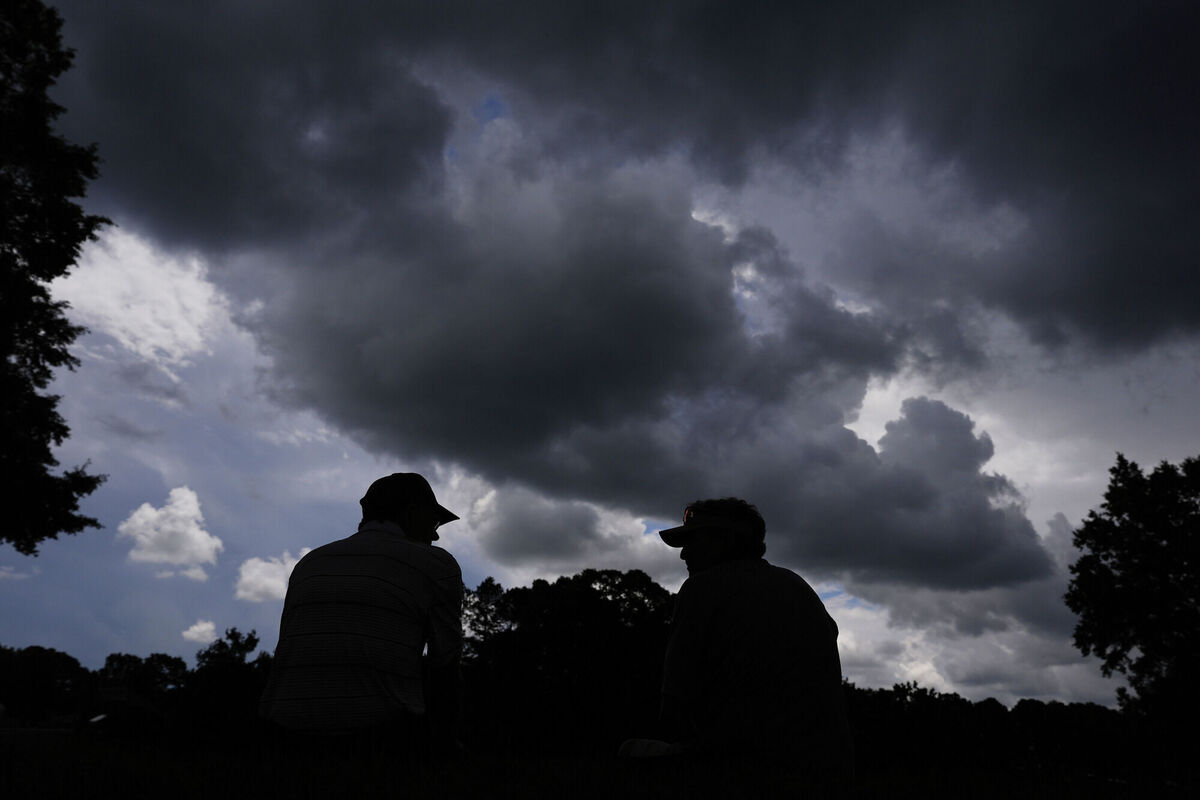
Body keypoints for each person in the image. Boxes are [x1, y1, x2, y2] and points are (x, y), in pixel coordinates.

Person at [622, 497, 853, 793]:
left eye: (693, 540)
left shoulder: (702, 588)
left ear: (726, 541)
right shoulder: (798, 587)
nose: (684, 554)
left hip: (747, 771)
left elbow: (674, 710)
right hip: (831, 774)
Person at [259, 473, 464, 756]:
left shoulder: (310, 562)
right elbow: (445, 664)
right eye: (434, 521)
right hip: (379, 732)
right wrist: (445, 741)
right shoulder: (436, 564)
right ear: (410, 512)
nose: (436, 534)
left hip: (283, 733)